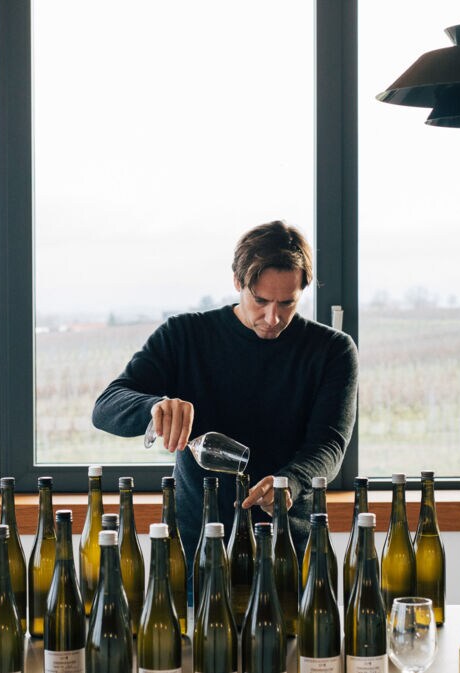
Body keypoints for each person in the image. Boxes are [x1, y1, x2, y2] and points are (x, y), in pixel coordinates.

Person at [91, 220, 358, 592]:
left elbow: (328, 444)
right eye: (260, 301)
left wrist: (291, 482)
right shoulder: (184, 336)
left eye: (287, 303)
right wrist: (154, 408)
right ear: (237, 281)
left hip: (288, 551)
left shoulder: (332, 350)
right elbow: (106, 406)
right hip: (198, 550)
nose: (273, 318)